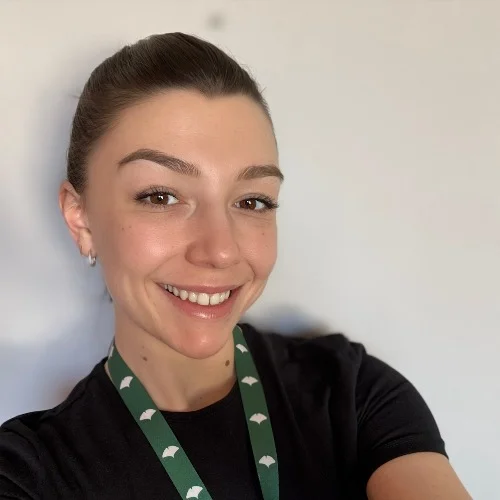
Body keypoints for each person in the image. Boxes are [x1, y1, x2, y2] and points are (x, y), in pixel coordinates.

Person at [0, 32, 471, 500]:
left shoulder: (352, 395)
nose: (221, 250)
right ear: (81, 218)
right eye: (161, 196)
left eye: (252, 201)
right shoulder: (27, 472)